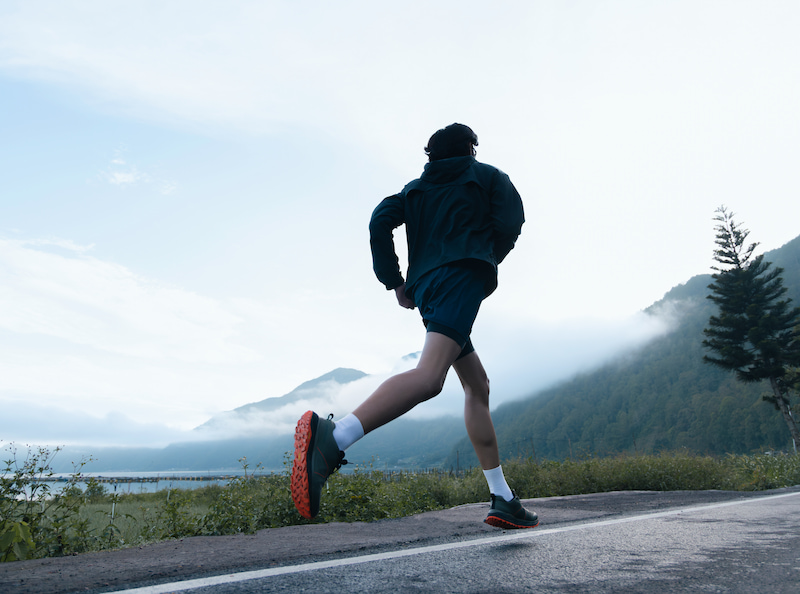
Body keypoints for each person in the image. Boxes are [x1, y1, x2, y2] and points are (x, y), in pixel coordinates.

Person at [290, 123, 538, 529]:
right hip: (461, 277)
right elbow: (511, 223)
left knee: (477, 385)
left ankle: (503, 498)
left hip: (428, 287)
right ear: (471, 150)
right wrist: (484, 255)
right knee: (429, 379)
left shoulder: (413, 190)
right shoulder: (488, 176)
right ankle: (333, 440)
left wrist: (396, 282)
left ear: (430, 156)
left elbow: (378, 222)